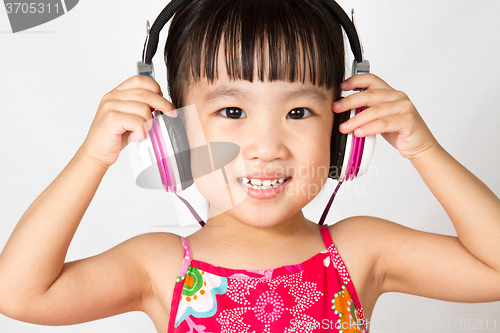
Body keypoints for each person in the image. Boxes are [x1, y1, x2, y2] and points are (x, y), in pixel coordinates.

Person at [1, 0, 499, 332]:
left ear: (341, 129)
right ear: (174, 134)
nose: (266, 147)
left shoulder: (362, 251)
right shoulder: (159, 266)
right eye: (232, 112)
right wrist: (94, 156)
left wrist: (423, 150)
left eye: (298, 112)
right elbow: (20, 294)